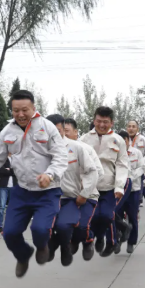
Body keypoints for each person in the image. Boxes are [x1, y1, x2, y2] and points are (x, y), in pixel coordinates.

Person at [0, 90, 67, 278]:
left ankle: (42, 246)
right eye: (15, 110)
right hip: (22, 191)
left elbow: (61, 157)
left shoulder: (47, 127)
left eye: (24, 110)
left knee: (39, 229)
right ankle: (23, 255)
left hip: (47, 191)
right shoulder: (7, 131)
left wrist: (49, 175)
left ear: (34, 108)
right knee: (9, 233)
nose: (20, 114)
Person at [46, 114, 99, 266]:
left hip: (76, 196)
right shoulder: (41, 149)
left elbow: (96, 171)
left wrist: (85, 191)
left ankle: (84, 241)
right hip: (52, 197)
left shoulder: (79, 148)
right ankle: (56, 244)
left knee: (75, 226)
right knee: (48, 226)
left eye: (58, 130)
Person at [79, 107, 129, 257]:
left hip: (109, 187)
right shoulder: (84, 140)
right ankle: (100, 237)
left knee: (107, 215)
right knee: (93, 216)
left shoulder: (118, 140)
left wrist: (119, 187)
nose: (102, 125)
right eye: (99, 121)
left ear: (111, 123)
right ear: (94, 121)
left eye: (105, 122)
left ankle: (108, 239)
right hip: (90, 186)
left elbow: (122, 165)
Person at [65, 117, 105, 259]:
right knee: (66, 224)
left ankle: (88, 240)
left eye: (66, 131)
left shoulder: (86, 149)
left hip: (88, 195)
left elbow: (99, 172)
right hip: (67, 196)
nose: (62, 134)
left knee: (82, 225)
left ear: (76, 132)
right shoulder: (55, 150)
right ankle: (74, 240)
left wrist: (85, 187)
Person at [117, 130, 145, 254]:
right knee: (115, 216)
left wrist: (130, 177)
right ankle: (117, 240)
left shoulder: (136, 153)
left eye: (125, 140)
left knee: (133, 217)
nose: (123, 143)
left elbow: (142, 167)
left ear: (128, 141)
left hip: (133, 190)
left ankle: (131, 242)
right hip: (118, 190)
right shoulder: (114, 153)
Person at [0, 155, 16, 233]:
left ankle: (10, 225)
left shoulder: (16, 158)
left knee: (12, 207)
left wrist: (9, 170)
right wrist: (11, 171)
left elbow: (19, 171)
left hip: (14, 185)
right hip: (3, 185)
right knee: (1, 206)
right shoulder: (2, 158)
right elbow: (1, 170)